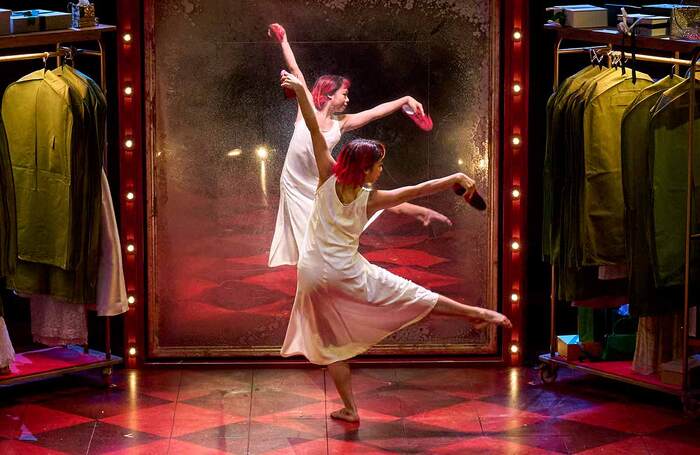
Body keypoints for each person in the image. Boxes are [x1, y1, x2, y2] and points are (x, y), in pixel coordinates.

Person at [279, 71, 512, 423]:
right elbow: (419, 188)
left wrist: (300, 91)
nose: (381, 170)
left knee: (330, 346)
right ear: (367, 170)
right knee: (410, 294)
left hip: (311, 275)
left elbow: (313, 128)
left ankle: (350, 408)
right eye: (378, 166)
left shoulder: (327, 174)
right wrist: (454, 179)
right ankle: (481, 315)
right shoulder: (370, 198)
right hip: (347, 272)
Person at [267, 23, 450, 267]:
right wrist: (283, 40)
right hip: (293, 183)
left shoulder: (341, 122)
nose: (348, 98)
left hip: (320, 180)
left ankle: (422, 213)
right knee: (311, 247)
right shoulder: (306, 108)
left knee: (363, 195)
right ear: (330, 95)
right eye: (345, 93)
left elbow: (375, 112)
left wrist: (405, 99)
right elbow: (295, 70)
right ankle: (321, 280)